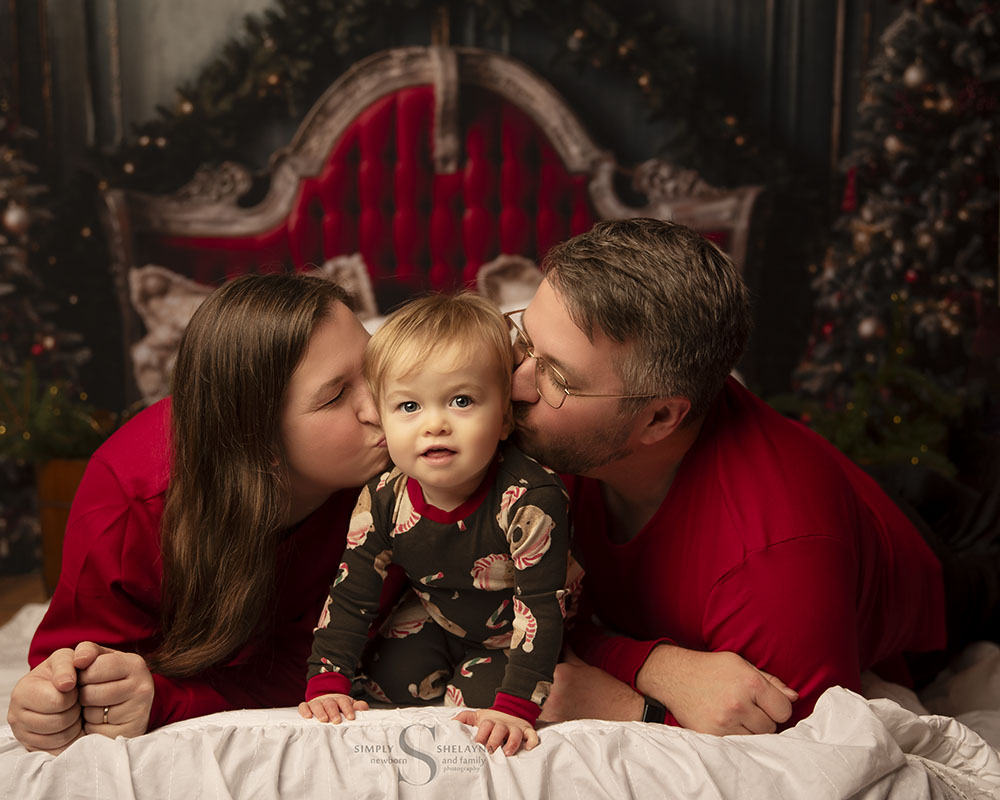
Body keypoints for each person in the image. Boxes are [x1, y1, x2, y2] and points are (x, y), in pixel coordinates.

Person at [506, 217, 974, 735]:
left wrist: (633, 707)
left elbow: (806, 755)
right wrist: (652, 664)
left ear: (660, 418)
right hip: (845, 489)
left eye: (556, 376)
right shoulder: (548, 426)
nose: (514, 383)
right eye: (523, 339)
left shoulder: (775, 565)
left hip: (942, 563)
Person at [7, 273, 403, 754]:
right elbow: (74, 669)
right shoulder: (133, 499)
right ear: (259, 439)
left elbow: (344, 664)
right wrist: (56, 699)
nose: (383, 404)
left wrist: (167, 699)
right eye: (336, 395)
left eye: (378, 366)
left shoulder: (410, 465)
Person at [299, 292, 572, 756]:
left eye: (461, 400)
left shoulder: (530, 499)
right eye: (409, 407)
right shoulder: (383, 496)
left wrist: (517, 704)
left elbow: (541, 609)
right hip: (434, 613)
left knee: (479, 719)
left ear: (504, 417)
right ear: (382, 419)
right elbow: (352, 592)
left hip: (511, 633)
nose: (435, 425)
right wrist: (327, 679)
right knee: (383, 689)